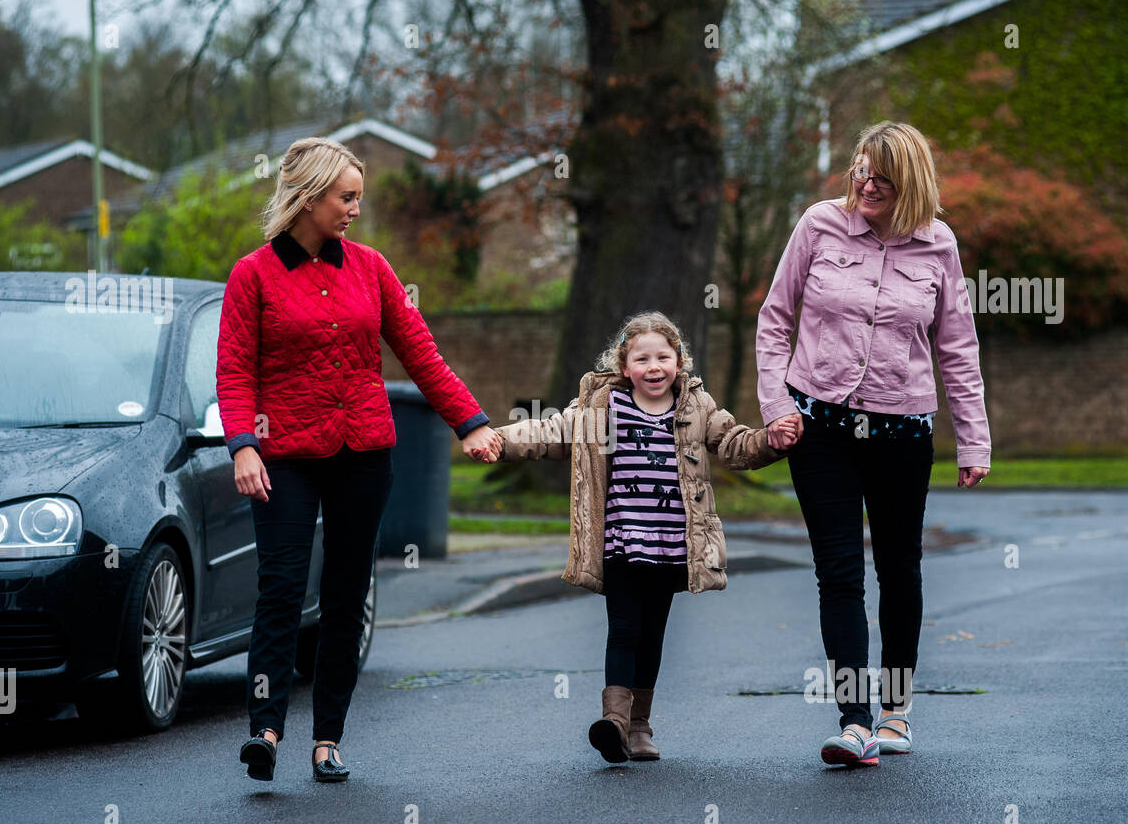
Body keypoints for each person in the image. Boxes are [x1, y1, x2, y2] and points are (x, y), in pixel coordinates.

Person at [217, 137, 502, 782]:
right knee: (281, 590)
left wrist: (470, 422)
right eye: (345, 198)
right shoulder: (252, 275)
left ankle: (328, 741)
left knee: (346, 595)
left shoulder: (371, 269)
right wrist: (243, 445)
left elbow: (421, 353)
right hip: (283, 454)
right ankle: (264, 729)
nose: (353, 209)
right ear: (309, 196)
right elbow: (233, 371)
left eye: (357, 199)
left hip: (363, 453)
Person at [755, 121, 991, 767]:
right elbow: (775, 320)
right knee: (839, 572)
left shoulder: (939, 246)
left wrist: (974, 438)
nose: (865, 185)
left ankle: (894, 711)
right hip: (820, 425)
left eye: (880, 179)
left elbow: (957, 349)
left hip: (901, 430)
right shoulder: (818, 226)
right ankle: (854, 720)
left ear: (908, 184)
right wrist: (777, 406)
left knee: (898, 568)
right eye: (860, 171)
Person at [478, 312, 791, 763]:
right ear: (625, 366)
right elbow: (548, 432)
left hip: (671, 545)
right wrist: (497, 441)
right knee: (623, 629)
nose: (654, 366)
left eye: (663, 356)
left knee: (653, 634)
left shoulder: (696, 408)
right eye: (642, 358)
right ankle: (615, 722)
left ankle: (640, 726)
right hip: (622, 541)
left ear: (678, 362)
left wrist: (772, 441)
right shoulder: (604, 407)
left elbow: (734, 444)